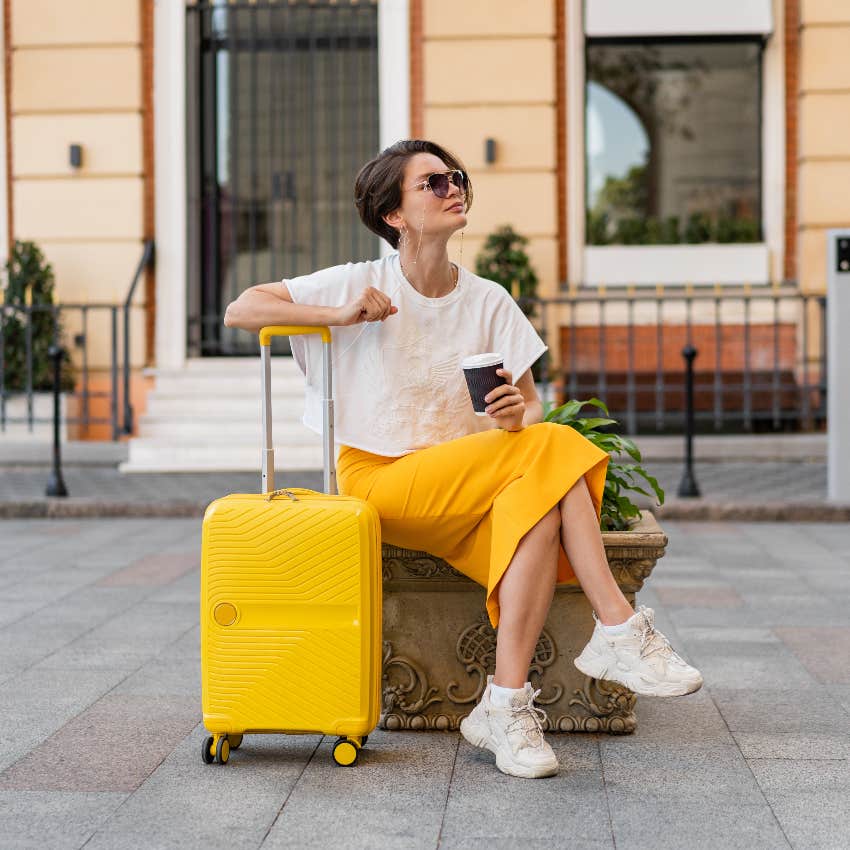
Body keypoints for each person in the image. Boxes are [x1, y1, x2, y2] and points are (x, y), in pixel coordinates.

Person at [223, 139, 703, 780]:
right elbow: (242, 308)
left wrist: (512, 415)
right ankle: (617, 628)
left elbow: (530, 411)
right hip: (381, 480)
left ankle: (504, 707)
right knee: (556, 453)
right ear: (393, 214)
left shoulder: (489, 301)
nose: (453, 188)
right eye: (432, 183)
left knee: (540, 510)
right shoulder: (356, 282)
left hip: (464, 485)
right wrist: (338, 315)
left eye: (456, 178)